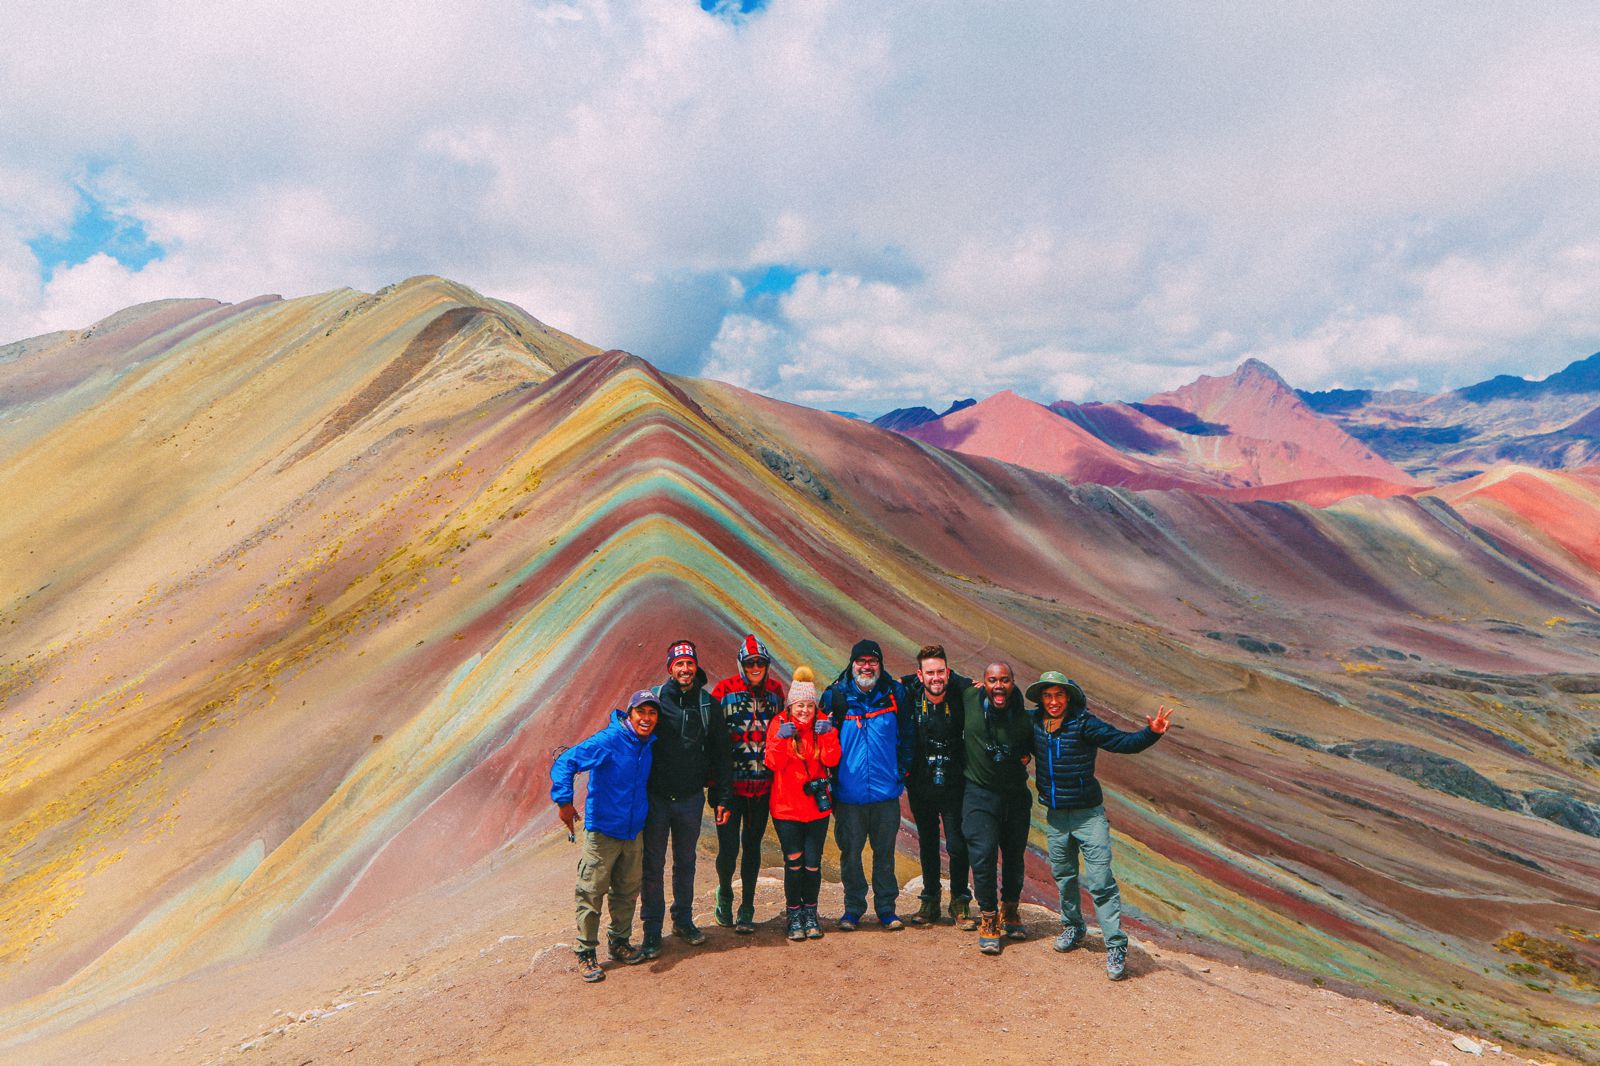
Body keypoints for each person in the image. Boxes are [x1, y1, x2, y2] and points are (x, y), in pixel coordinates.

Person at [1028, 670, 1172, 981]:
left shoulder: (1084, 724)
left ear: (1069, 697)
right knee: (1063, 875)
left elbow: (1122, 742)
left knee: (1100, 880)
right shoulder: (1034, 723)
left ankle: (1116, 946)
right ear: (1041, 699)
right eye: (1048, 696)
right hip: (1055, 816)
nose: (1053, 702)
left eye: (1059, 695)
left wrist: (1151, 733)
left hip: (1088, 816)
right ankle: (1073, 926)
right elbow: (1003, 721)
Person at [549, 689, 659, 983]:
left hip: (633, 831)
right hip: (602, 832)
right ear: (630, 714)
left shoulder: (647, 744)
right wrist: (564, 801)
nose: (646, 719)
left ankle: (619, 941)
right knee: (591, 891)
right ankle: (585, 951)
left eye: (652, 713)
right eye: (641, 713)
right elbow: (566, 762)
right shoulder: (609, 740)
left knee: (626, 889)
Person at [639, 640, 732, 958]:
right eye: (679, 664)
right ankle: (652, 930)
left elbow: (722, 755)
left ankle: (683, 920)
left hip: (691, 798)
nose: (685, 669)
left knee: (686, 862)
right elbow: (629, 739)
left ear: (696, 667)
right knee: (652, 865)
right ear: (670, 668)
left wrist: (722, 797)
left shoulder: (707, 705)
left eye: (689, 663)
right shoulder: (653, 702)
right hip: (656, 798)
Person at [820, 638, 913, 931]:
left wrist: (902, 772)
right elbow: (822, 742)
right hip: (848, 795)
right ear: (852, 664)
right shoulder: (835, 696)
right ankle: (853, 909)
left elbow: (908, 737)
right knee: (850, 854)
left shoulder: (895, 694)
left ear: (880, 664)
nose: (866, 666)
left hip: (886, 794)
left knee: (885, 853)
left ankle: (886, 909)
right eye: (861, 661)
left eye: (872, 661)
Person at [710, 634, 786, 933]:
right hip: (729, 790)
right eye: (750, 662)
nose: (756, 667)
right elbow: (713, 742)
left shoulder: (776, 693)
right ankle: (725, 892)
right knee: (728, 849)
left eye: (760, 663)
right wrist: (716, 789)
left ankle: (747, 906)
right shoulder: (723, 691)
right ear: (741, 664)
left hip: (762, 789)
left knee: (752, 847)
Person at [961, 661, 1034, 955]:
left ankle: (1011, 909)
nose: (998, 686)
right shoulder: (968, 698)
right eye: (992, 680)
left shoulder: (1025, 718)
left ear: (1013, 683)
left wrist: (1026, 755)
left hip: (1015, 795)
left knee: (1014, 855)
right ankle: (988, 918)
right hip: (979, 794)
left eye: (1004, 680)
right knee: (983, 855)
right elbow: (935, 678)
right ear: (983, 682)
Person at [764, 666, 841, 941]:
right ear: (791, 705)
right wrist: (780, 739)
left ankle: (811, 913)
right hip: (786, 810)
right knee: (794, 861)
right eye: (799, 705)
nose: (804, 711)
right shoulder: (779, 725)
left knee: (813, 864)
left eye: (809, 705)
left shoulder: (822, 725)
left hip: (816, 810)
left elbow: (832, 760)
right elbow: (773, 763)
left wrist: (830, 733)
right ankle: (793, 913)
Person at [900, 643, 974, 928]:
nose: (936, 678)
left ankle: (960, 900)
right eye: (929, 672)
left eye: (940, 671)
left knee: (957, 844)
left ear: (948, 672)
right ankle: (930, 900)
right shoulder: (910, 693)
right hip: (920, 785)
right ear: (920, 675)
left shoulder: (962, 694)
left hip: (955, 784)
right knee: (928, 843)